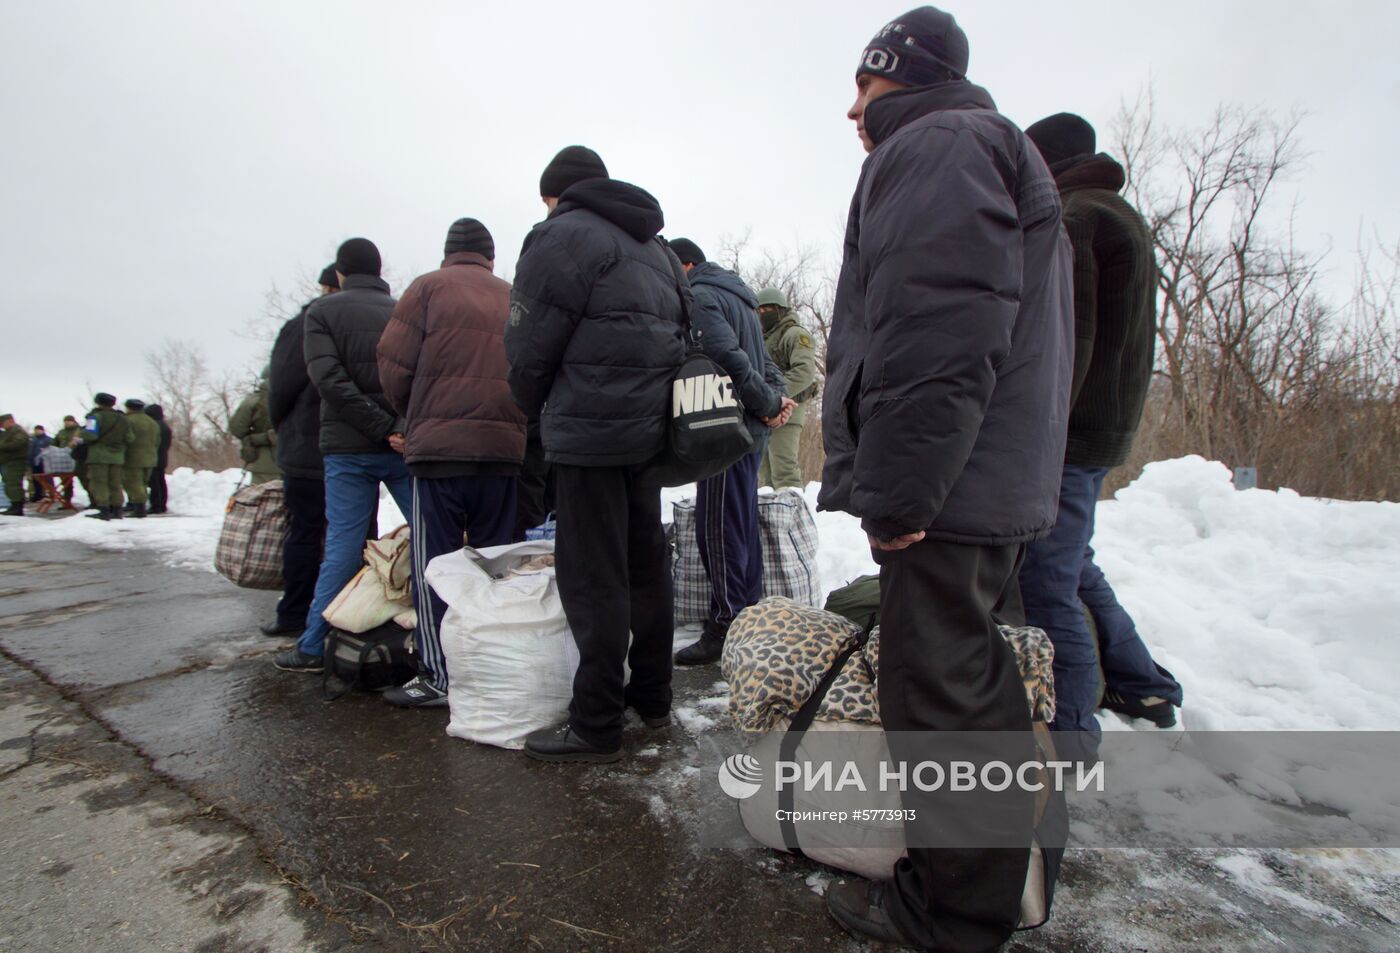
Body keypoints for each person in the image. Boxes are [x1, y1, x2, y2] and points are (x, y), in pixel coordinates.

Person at [817, 8, 1073, 950]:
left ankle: (957, 912)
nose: (853, 109)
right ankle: (992, 875)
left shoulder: (940, 144)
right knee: (967, 677)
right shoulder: (973, 143)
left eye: (867, 85)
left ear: (910, 78)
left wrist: (900, 491)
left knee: (942, 692)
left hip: (949, 484)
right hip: (977, 472)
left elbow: (940, 332)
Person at [505, 145, 686, 762]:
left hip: (588, 434)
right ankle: (654, 697)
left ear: (556, 194)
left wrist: (530, 406)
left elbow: (530, 342)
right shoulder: (656, 249)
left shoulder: (560, 236)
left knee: (593, 577)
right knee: (645, 566)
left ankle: (596, 722)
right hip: (648, 434)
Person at [1020, 112, 1184, 742]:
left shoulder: (1076, 218)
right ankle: (1143, 684)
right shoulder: (1117, 212)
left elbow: (1073, 338)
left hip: (1069, 432)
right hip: (1099, 428)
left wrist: (1039, 430)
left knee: (1045, 580)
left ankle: (1070, 736)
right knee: (1072, 562)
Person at [378, 218, 526, 707]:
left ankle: (441, 677)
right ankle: (494, 667)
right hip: (503, 452)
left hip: (440, 453)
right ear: (490, 256)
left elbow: (393, 364)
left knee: (436, 566)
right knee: (495, 564)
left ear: (448, 253)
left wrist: (413, 413)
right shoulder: (512, 294)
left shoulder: (426, 288)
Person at [274, 238, 412, 674]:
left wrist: (375, 425)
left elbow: (326, 379)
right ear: (378, 268)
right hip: (400, 447)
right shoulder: (402, 311)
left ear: (339, 273)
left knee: (342, 546)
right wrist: (398, 427)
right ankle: (438, 640)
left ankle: (313, 645)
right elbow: (417, 377)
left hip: (348, 449)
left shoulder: (322, 313)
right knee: (431, 539)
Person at [667, 239, 793, 666]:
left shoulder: (701, 296)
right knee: (739, 526)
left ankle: (726, 624)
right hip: (750, 430)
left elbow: (727, 357)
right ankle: (748, 615)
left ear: (687, 265)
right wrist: (776, 399)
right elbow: (765, 363)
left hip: (724, 432)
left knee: (718, 530)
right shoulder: (739, 297)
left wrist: (768, 403)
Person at [263, 264, 338, 638]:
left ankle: (294, 612)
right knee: (352, 532)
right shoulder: (376, 317)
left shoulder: (303, 325)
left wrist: (283, 428)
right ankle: (348, 611)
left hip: (307, 447)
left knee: (305, 532)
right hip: (358, 445)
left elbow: (280, 387)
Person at [756, 287, 819, 490]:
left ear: (780, 310)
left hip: (788, 408)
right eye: (760, 311)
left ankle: (791, 517)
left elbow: (804, 372)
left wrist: (775, 394)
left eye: (768, 310)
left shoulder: (795, 334)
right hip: (764, 409)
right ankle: (768, 518)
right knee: (765, 474)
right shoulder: (762, 339)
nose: (763, 315)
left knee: (784, 469)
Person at [80, 393, 133, 521]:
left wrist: (83, 433)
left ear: (98, 403)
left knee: (99, 483)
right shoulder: (123, 419)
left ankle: (104, 510)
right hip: (117, 457)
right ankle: (117, 511)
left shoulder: (94, 417)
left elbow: (90, 436)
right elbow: (130, 438)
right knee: (116, 484)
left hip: (99, 456)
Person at [228, 371, 280, 485]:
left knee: (262, 500)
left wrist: (254, 438)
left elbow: (237, 428)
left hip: (263, 464)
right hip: (296, 462)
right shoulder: (299, 397)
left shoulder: (254, 400)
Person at [121, 398, 160, 518]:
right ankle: (140, 507)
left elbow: (126, 438)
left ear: (129, 408)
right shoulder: (152, 422)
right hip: (150, 458)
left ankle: (139, 509)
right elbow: (157, 441)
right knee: (142, 483)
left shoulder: (127, 421)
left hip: (133, 458)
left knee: (134, 484)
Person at [145, 404, 173, 514]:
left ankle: (156, 505)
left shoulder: (154, 426)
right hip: (163, 457)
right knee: (161, 481)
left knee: (154, 483)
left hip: (154, 457)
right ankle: (162, 504)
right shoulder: (165, 426)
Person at [0, 415, 27, 516]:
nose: (2, 426)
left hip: (15, 462)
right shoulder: (7, 433)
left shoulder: (17, 431)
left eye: (3, 423)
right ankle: (14, 505)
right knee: (9, 484)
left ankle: (17, 507)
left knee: (14, 484)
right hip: (7, 462)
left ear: (10, 421)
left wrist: (1, 446)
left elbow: (17, 443)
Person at [53, 415, 84, 505]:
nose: (67, 423)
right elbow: (54, 443)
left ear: (73, 421)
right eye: (65, 422)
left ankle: (94, 502)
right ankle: (67, 502)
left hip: (78, 458)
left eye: (69, 421)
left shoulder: (79, 431)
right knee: (66, 482)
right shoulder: (61, 432)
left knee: (84, 480)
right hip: (64, 460)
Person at [26, 425, 52, 503]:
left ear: (43, 430)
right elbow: (30, 451)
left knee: (48, 479)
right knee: (36, 480)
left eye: (39, 430)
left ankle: (51, 494)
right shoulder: (33, 440)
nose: (37, 432)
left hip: (44, 462)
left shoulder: (48, 439)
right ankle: (38, 495)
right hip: (34, 463)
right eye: (36, 430)